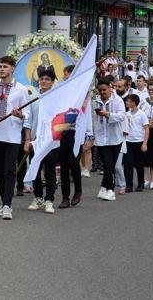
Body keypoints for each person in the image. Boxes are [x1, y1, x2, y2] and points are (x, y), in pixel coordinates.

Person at [0, 56, 30, 220]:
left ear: (12, 68)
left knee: (10, 169)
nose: (2, 69)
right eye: (0, 66)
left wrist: (20, 114)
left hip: (11, 135)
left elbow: (28, 114)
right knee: (0, 171)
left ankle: (7, 205)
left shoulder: (21, 90)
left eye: (5, 66)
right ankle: (4, 201)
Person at [25, 69, 57, 214]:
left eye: (47, 79)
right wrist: (27, 140)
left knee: (50, 171)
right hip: (36, 140)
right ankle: (38, 197)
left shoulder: (58, 98)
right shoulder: (33, 98)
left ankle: (49, 200)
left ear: (52, 82)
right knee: (35, 170)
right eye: (42, 79)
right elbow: (28, 120)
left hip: (50, 141)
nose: (43, 81)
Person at [58, 64, 86, 208]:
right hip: (63, 131)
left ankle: (78, 191)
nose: (65, 77)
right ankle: (65, 197)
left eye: (67, 74)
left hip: (77, 132)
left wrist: (89, 134)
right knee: (63, 166)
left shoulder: (82, 91)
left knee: (74, 163)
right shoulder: (62, 89)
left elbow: (85, 113)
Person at [94, 78, 125, 201]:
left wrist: (107, 114)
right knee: (107, 164)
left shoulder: (117, 100)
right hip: (101, 138)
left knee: (110, 165)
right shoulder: (95, 101)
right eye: (100, 90)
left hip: (115, 138)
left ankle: (108, 188)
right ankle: (107, 187)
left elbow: (122, 116)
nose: (102, 92)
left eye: (104, 90)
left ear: (110, 88)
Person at [123, 94, 149, 192]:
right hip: (128, 141)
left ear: (134, 103)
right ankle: (129, 185)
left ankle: (141, 184)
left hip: (139, 141)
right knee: (128, 164)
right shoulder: (126, 114)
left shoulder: (142, 114)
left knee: (139, 164)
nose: (127, 103)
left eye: (128, 101)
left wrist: (144, 143)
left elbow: (146, 128)